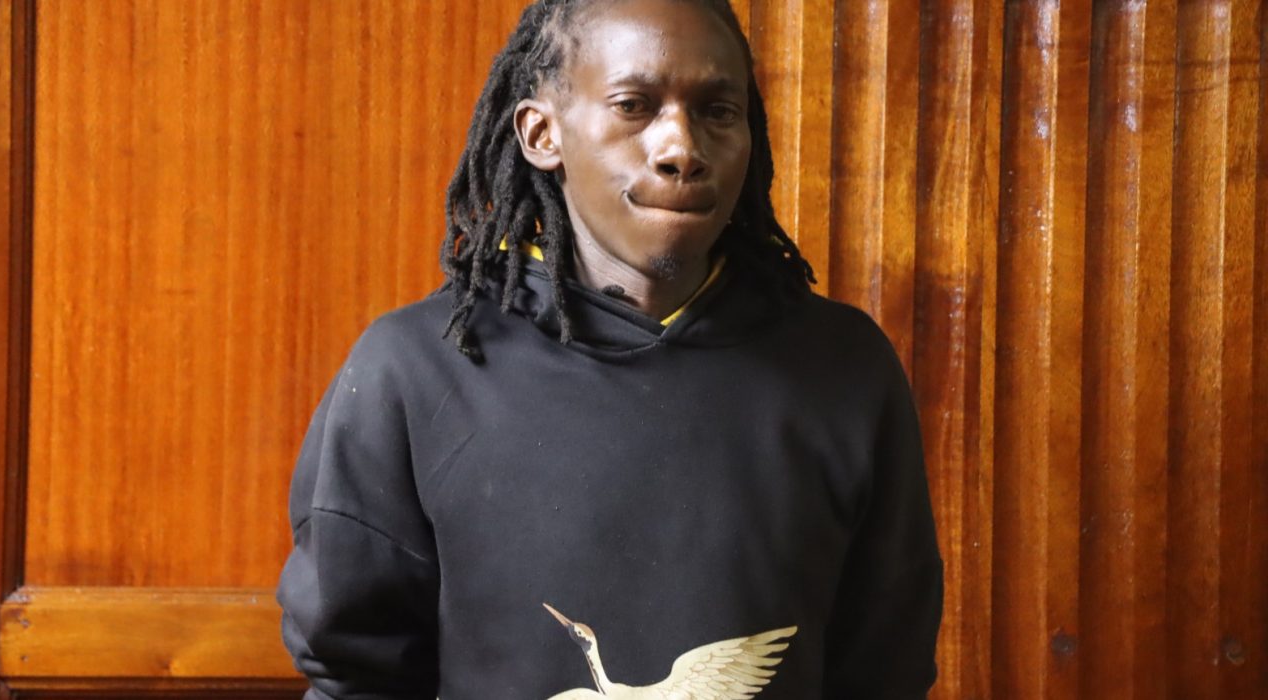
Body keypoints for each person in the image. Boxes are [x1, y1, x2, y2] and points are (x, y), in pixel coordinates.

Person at [276, 0, 943, 697]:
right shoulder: (416, 370)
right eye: (633, 106)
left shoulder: (844, 370)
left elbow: (884, 670)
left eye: (719, 111)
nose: (681, 148)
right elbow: (356, 674)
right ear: (542, 133)